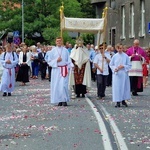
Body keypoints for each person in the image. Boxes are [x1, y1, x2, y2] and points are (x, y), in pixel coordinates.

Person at [47, 37, 72, 106]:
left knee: (63, 85)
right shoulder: (53, 51)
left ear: (62, 41)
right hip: (56, 70)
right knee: (57, 85)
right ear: (55, 42)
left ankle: (64, 100)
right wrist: (56, 61)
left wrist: (70, 67)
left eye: (60, 41)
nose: (59, 42)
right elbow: (49, 61)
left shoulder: (65, 50)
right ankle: (59, 100)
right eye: (57, 41)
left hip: (64, 69)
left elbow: (69, 60)